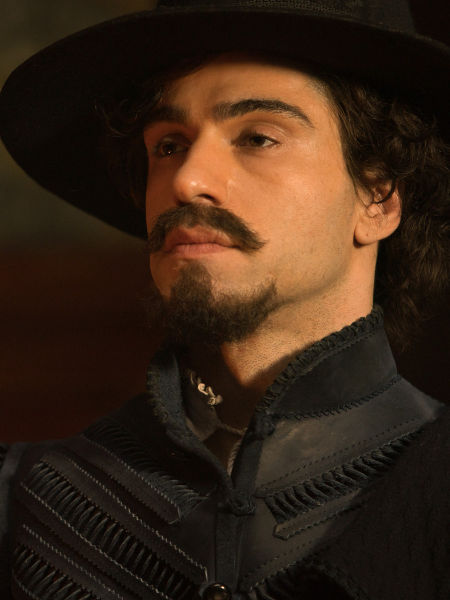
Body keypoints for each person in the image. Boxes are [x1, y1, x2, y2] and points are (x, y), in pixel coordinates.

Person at [0, 1, 448, 599]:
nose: (187, 180)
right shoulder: (20, 507)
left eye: (258, 138)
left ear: (379, 198)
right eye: (168, 145)